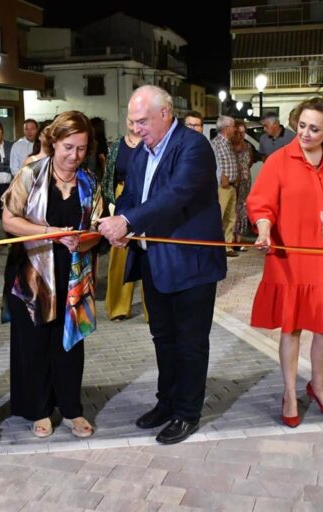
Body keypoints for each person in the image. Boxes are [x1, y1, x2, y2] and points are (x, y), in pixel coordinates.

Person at [98, 85, 226, 445]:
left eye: (142, 121)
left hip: (192, 265)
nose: (136, 129)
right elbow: (131, 197)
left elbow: (176, 195)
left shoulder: (193, 146)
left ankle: (187, 413)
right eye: (132, 122)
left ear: (165, 114)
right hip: (156, 261)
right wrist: (119, 220)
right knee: (163, 338)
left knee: (190, 342)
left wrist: (129, 222)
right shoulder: (142, 152)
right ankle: (166, 402)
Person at [248, 97, 323, 428]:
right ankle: (289, 392)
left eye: (315, 129)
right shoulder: (278, 160)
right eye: (301, 126)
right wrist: (264, 229)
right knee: (291, 326)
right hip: (287, 256)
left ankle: (318, 385)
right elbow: (261, 204)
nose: (305, 133)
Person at [2, 110, 103, 439]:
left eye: (82, 149)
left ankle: (72, 408)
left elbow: (97, 229)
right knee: (35, 345)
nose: (75, 156)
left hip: (73, 278)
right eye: (68, 147)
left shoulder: (89, 183)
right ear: (54, 142)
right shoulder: (32, 174)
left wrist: (89, 237)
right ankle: (39, 409)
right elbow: (8, 220)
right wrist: (50, 233)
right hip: (32, 277)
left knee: (70, 345)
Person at [102, 120, 147, 321]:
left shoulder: (150, 142)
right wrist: (111, 205)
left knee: (149, 253)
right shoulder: (117, 146)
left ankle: (152, 309)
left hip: (146, 197)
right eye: (130, 119)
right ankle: (118, 307)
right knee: (120, 255)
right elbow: (108, 178)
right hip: (122, 197)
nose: (134, 123)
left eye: (139, 120)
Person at [211, 115, 239, 256]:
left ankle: (227, 246)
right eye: (233, 126)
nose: (235, 129)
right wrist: (221, 177)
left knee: (231, 217)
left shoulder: (228, 143)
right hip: (222, 187)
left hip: (232, 186)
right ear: (227, 128)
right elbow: (214, 163)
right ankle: (216, 246)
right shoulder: (215, 143)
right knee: (219, 217)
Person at [232, 119, 255, 247]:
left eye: (243, 132)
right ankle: (230, 238)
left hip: (245, 182)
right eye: (238, 132)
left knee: (242, 209)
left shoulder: (248, 146)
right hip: (233, 182)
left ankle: (239, 240)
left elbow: (250, 162)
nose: (241, 135)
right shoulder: (230, 146)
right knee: (232, 210)